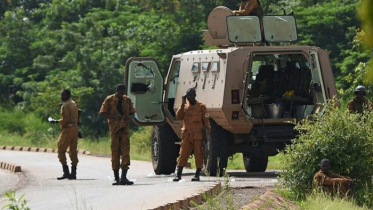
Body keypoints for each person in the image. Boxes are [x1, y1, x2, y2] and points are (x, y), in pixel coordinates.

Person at [99, 84, 136, 185]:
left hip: (124, 130)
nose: (121, 94)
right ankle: (116, 178)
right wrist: (114, 117)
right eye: (119, 92)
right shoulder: (109, 99)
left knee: (125, 153)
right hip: (114, 130)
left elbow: (133, 113)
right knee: (115, 153)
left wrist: (129, 117)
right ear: (116, 91)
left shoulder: (127, 100)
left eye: (123, 92)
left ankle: (124, 177)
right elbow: (102, 113)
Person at [173, 88, 211, 182]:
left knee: (199, 154)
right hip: (187, 135)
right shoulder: (184, 107)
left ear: (195, 95)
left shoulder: (201, 107)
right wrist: (182, 103)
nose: (189, 98)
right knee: (183, 154)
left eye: (191, 95)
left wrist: (207, 133)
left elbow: (206, 121)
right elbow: (179, 117)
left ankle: (197, 174)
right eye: (187, 96)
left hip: (198, 135)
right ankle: (178, 174)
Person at [49, 89, 79, 180]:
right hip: (75, 129)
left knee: (61, 149)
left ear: (67, 95)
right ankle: (73, 173)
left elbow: (65, 119)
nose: (61, 97)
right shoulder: (73, 103)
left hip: (68, 130)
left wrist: (55, 121)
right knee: (73, 151)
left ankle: (66, 172)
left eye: (63, 95)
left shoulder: (65, 105)